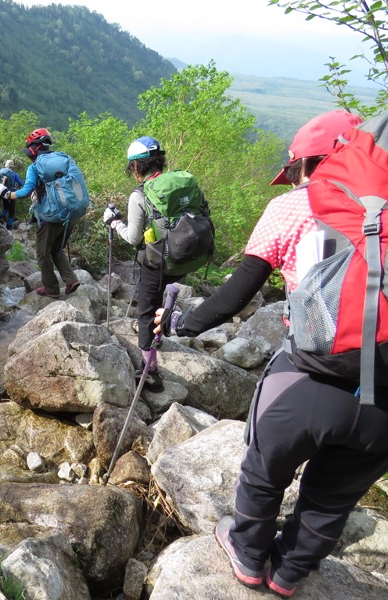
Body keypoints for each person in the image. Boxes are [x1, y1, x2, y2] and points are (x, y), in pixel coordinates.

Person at [154, 110, 378, 598]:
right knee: (333, 497)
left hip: (310, 379)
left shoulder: (293, 206)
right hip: (384, 402)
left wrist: (178, 323)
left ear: (308, 163)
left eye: (294, 168)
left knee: (263, 469)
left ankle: (250, 557)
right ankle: (290, 572)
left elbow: (234, 296)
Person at [102, 136, 184, 392]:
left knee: (147, 312)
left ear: (136, 167)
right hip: (182, 256)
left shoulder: (140, 195)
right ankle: (165, 328)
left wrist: (114, 223)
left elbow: (133, 238)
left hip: (157, 262)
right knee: (162, 302)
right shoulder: (174, 185)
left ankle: (150, 372)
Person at [0, 128, 81, 299]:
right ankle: (71, 280)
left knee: (42, 254)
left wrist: (6, 193)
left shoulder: (35, 167)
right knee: (56, 249)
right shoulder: (64, 160)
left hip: (49, 218)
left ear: (33, 150)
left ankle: (51, 288)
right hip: (69, 214)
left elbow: (26, 191)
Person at [0, 159, 23, 230]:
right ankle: (9, 227)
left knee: (5, 207)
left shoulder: (1, 172)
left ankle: (1, 219)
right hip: (11, 194)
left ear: (6, 165)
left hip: (2, 192)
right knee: (11, 211)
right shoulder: (14, 174)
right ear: (12, 166)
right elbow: (21, 183)